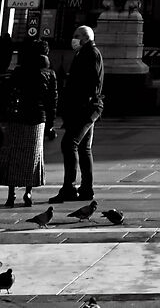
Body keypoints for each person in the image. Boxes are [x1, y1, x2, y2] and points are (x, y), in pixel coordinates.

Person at [0, 39, 59, 206]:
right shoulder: (49, 73)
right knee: (33, 156)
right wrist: (50, 122)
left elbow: (6, 93)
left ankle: (11, 194)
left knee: (13, 154)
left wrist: (4, 112)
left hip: (17, 117)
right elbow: (52, 101)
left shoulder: (19, 71)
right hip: (37, 119)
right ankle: (28, 193)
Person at [57, 25, 105, 202]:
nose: (73, 39)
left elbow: (90, 84)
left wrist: (80, 105)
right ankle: (86, 189)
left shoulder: (91, 53)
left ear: (85, 38)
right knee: (84, 148)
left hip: (85, 108)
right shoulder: (84, 52)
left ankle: (69, 188)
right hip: (86, 107)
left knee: (69, 143)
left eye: (76, 36)